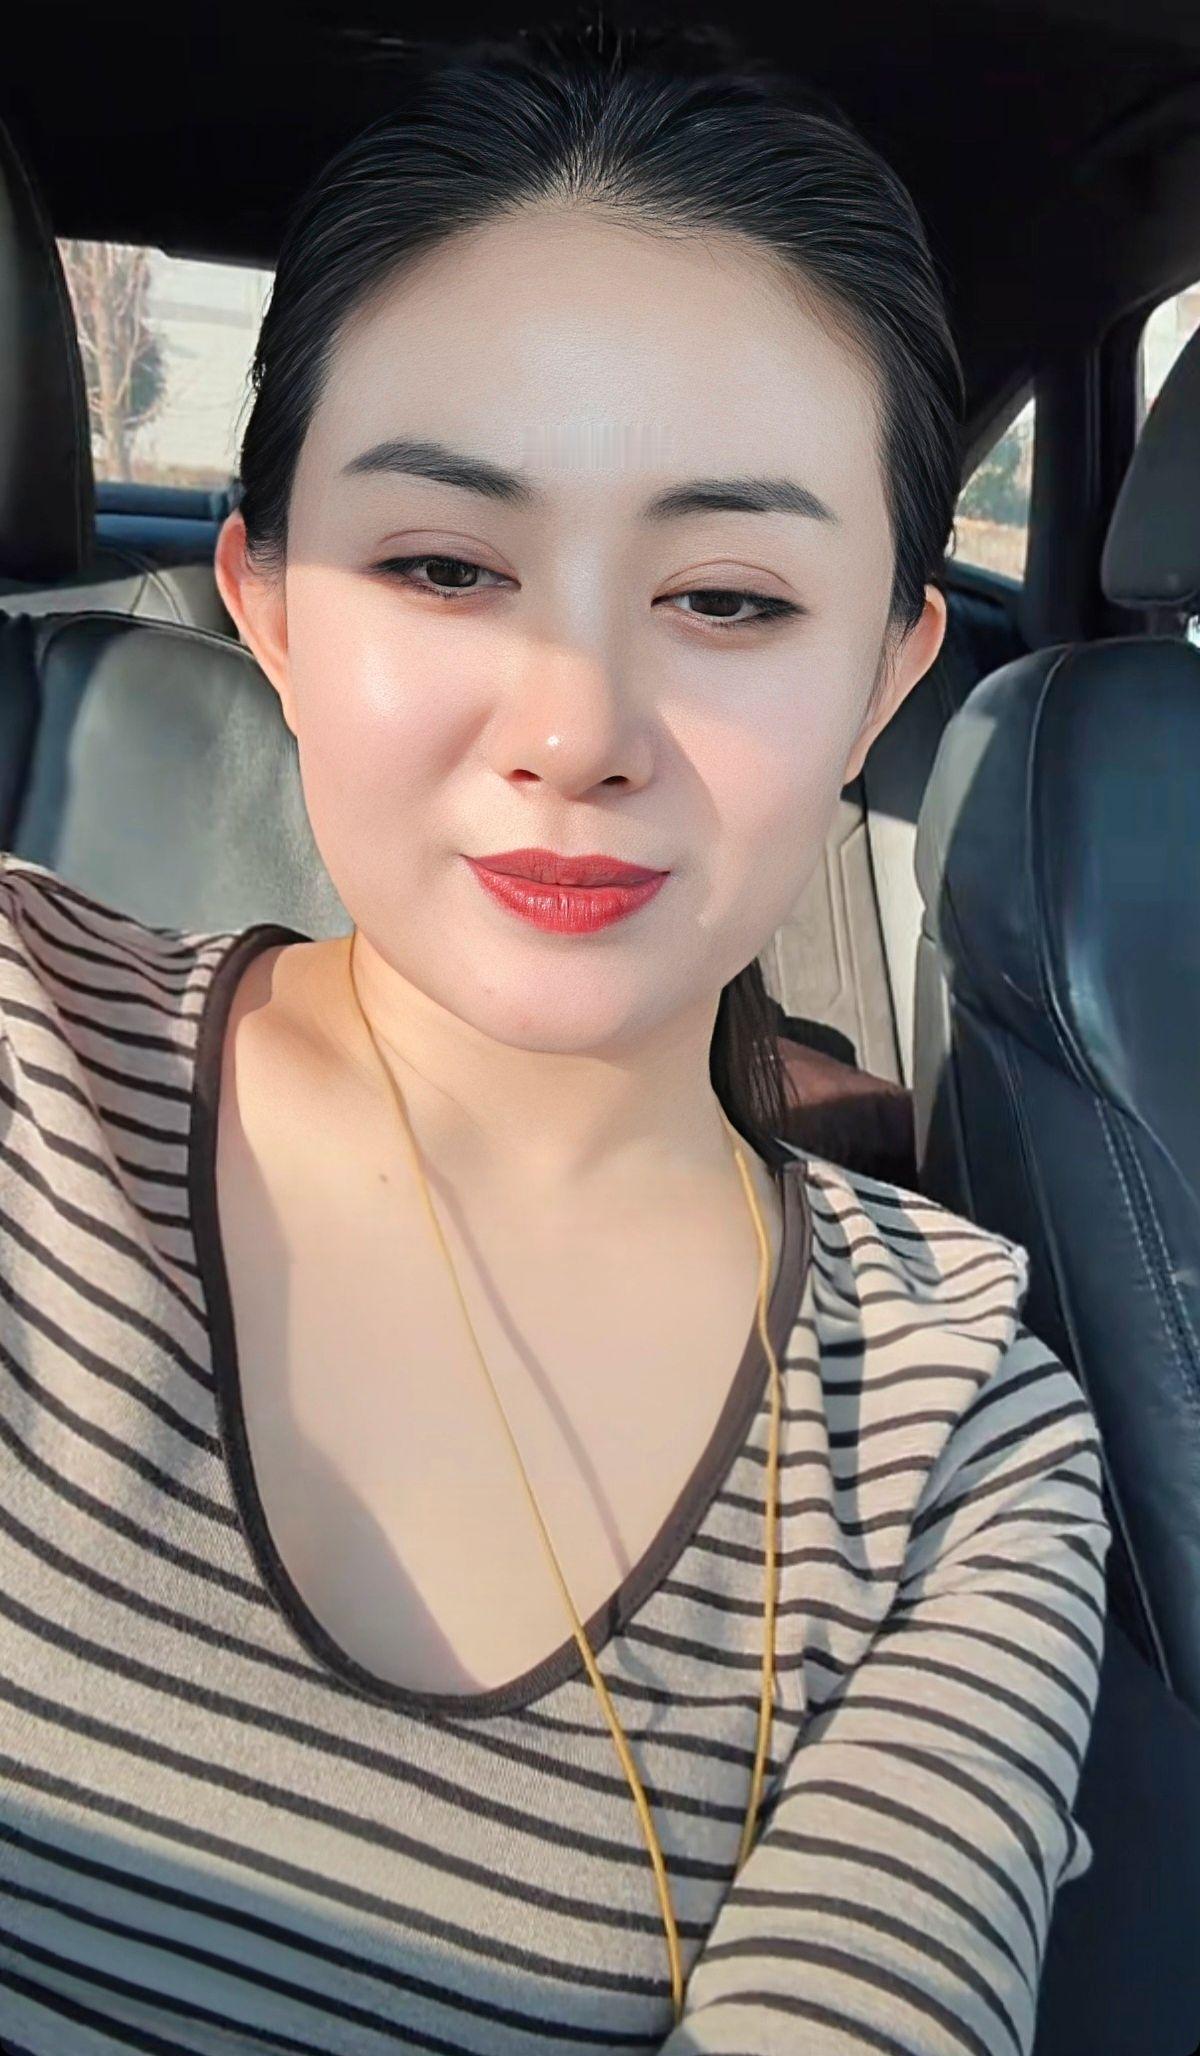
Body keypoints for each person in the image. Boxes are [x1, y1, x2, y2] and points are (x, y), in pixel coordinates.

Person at [0, 16, 1111, 2054]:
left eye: (731, 600)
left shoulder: (959, 1442)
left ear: (887, 677)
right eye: (443, 564)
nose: (578, 729)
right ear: (267, 608)